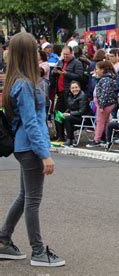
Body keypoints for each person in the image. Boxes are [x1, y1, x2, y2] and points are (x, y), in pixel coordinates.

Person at [0, 32, 65, 267]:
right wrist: (45, 154)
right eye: (36, 48)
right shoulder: (26, 84)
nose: (39, 51)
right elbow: (32, 122)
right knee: (32, 200)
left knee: (24, 196)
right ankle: (38, 251)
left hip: (23, 145)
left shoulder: (17, 80)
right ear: (29, 53)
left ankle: (3, 240)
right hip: (29, 146)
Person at [87, 60, 117, 147]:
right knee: (106, 122)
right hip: (105, 104)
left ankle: (97, 140)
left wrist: (101, 106)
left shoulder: (106, 79)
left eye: (97, 69)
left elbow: (105, 93)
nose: (96, 71)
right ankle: (106, 139)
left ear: (103, 70)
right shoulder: (106, 78)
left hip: (104, 104)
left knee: (100, 122)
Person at [54, 81, 90, 146]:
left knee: (67, 118)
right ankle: (61, 137)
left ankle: (69, 139)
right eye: (72, 88)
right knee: (58, 116)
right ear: (70, 89)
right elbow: (70, 107)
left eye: (76, 87)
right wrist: (64, 113)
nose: (74, 89)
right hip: (74, 116)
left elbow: (82, 111)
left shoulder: (83, 96)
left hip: (84, 118)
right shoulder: (70, 95)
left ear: (80, 88)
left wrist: (70, 114)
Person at [50, 46, 84, 113]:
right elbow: (53, 74)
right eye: (64, 54)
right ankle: (58, 123)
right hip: (60, 91)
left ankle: (65, 123)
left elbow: (80, 77)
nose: (65, 56)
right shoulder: (60, 62)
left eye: (67, 54)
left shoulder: (77, 63)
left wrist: (66, 73)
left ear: (72, 53)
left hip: (69, 92)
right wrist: (54, 72)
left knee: (67, 112)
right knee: (57, 112)